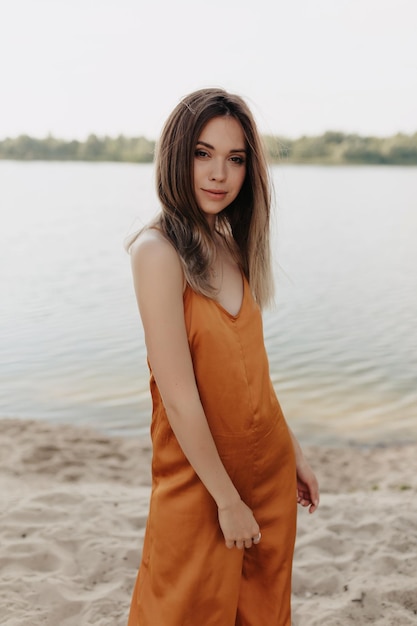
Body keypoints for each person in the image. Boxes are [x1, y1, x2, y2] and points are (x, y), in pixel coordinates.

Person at [126, 88, 319, 626]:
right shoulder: (157, 252)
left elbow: (253, 369)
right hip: (201, 485)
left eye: (235, 159)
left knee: (261, 614)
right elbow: (180, 395)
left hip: (269, 472)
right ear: (176, 157)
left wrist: (294, 450)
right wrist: (227, 500)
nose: (219, 174)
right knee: (179, 611)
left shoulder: (232, 244)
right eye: (202, 154)